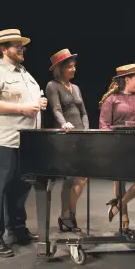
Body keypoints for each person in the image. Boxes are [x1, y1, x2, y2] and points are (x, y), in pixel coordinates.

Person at [0, 29, 47, 257]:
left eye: (23, 46)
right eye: (17, 46)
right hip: (3, 140)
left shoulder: (26, 74)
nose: (22, 49)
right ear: (4, 49)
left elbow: (29, 102)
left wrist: (39, 102)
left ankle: (17, 230)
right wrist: (22, 108)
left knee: (20, 189)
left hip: (26, 141)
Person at [99, 63, 135, 233]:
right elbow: (103, 125)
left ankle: (119, 204)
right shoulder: (111, 100)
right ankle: (124, 218)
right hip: (118, 146)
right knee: (120, 179)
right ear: (127, 79)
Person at [45, 48, 89, 232]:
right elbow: (56, 110)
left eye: (74, 67)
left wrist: (86, 130)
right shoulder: (52, 86)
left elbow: (84, 112)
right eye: (69, 67)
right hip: (65, 136)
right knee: (72, 178)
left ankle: (66, 215)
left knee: (80, 177)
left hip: (80, 136)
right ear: (59, 69)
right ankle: (67, 216)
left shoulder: (76, 87)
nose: (73, 70)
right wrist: (64, 124)